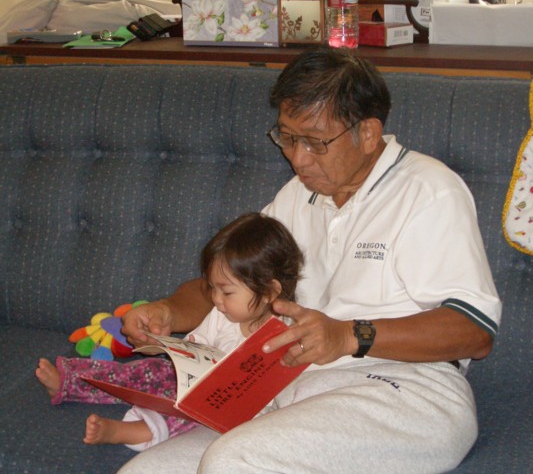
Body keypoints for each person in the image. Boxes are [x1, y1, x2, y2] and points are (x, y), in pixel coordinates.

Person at [118, 47, 502, 474]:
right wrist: (168, 312)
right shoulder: (298, 196)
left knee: (234, 461)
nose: (297, 159)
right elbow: (230, 283)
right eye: (287, 137)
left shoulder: (428, 191)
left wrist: (349, 335)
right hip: (292, 388)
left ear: (369, 133)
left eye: (316, 142)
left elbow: (473, 332)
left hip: (406, 390)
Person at [35, 212, 303, 451]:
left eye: (227, 291)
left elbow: (280, 392)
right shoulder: (222, 315)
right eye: (213, 288)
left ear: (270, 291)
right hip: (191, 383)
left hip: (225, 410)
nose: (217, 299)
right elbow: (195, 346)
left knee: (187, 415)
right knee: (144, 370)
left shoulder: (287, 333)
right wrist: (163, 347)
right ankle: (73, 381)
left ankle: (129, 431)